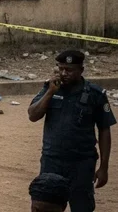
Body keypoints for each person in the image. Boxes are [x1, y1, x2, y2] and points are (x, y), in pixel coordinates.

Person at [28, 50, 115, 212]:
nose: (63, 73)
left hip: (81, 163)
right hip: (51, 161)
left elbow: (104, 130)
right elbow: (33, 115)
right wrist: (50, 92)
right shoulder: (50, 88)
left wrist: (104, 167)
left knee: (82, 206)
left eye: (69, 70)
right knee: (46, 205)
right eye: (60, 68)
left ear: (81, 70)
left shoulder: (95, 94)